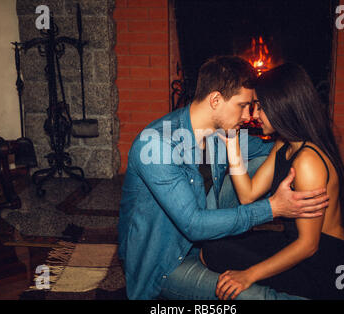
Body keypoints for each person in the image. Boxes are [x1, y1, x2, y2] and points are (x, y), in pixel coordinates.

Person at [117, 56, 330, 300]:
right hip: (165, 263)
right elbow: (193, 225)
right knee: (255, 295)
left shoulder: (222, 131)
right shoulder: (156, 145)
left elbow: (278, 150)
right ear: (216, 100)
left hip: (204, 238)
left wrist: (314, 158)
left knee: (265, 162)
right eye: (243, 105)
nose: (250, 115)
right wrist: (272, 208)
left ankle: (265, 246)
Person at [201, 62, 344, 300]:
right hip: (293, 242)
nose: (254, 115)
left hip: (323, 267)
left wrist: (249, 275)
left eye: (260, 107)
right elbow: (248, 195)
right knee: (213, 248)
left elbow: (309, 245)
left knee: (217, 256)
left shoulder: (308, 161)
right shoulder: (285, 143)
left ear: (281, 107)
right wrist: (232, 147)